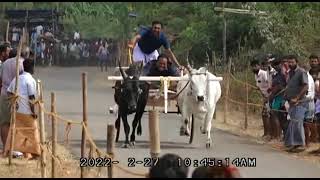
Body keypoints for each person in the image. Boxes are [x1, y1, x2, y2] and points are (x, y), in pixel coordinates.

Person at [4, 58, 40, 159]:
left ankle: (14, 151)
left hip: (17, 111)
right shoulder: (30, 80)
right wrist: (34, 112)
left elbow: (9, 91)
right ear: (31, 68)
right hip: (27, 112)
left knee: (17, 131)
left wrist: (14, 103)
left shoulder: (17, 78)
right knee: (33, 131)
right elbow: (32, 97)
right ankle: (36, 153)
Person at [0, 49, 24, 155]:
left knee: (5, 122)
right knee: (16, 121)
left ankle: (6, 148)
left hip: (4, 93)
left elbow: (0, 78)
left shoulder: (4, 64)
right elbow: (23, 77)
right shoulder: (20, 63)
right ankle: (14, 147)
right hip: (15, 95)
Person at [284, 55, 309, 152]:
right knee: (293, 123)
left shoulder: (301, 72)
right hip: (291, 102)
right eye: (288, 62)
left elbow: (305, 86)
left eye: (292, 62)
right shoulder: (290, 73)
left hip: (300, 102)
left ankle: (300, 145)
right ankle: (294, 144)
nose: (290, 64)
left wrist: (297, 98)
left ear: (296, 62)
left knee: (297, 123)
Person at [250, 59, 272, 140]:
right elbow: (260, 86)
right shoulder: (256, 75)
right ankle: (266, 133)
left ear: (259, 66)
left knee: (267, 115)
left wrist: (268, 96)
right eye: (252, 67)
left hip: (269, 97)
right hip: (264, 97)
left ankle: (268, 134)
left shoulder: (264, 74)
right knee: (265, 115)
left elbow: (270, 84)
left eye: (255, 66)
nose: (254, 68)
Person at [268, 57, 287, 141]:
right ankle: (279, 136)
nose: (275, 66)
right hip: (276, 96)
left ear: (280, 64)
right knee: (278, 116)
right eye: (274, 65)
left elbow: (280, 86)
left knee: (276, 115)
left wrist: (271, 95)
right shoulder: (276, 74)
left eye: (277, 64)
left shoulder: (283, 73)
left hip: (280, 96)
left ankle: (278, 136)